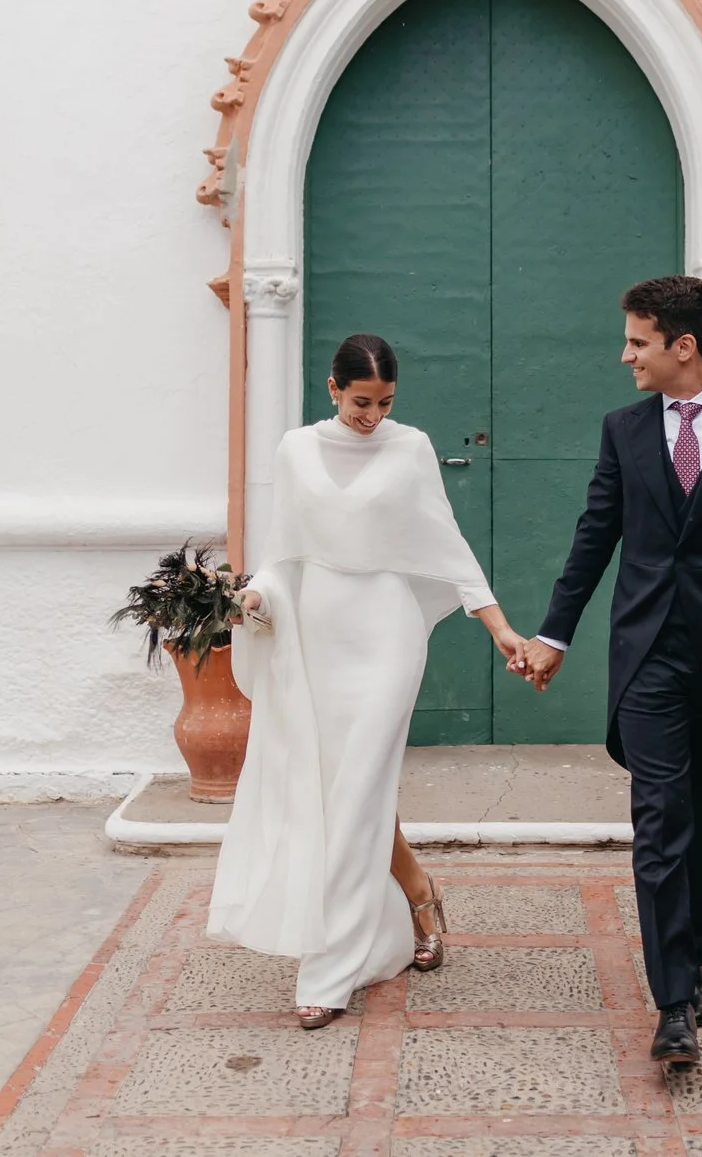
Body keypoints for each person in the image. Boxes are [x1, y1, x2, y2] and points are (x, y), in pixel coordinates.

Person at [517, 275, 702, 1069]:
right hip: (646, 653)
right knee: (660, 820)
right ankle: (673, 1001)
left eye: (639, 341)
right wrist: (555, 633)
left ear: (684, 346)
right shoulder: (625, 430)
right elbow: (594, 538)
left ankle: (691, 950)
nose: (626, 355)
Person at [206, 332, 537, 1028]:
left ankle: (328, 971)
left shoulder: (410, 447)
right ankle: (416, 893)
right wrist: (256, 596)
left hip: (387, 634)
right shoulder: (295, 450)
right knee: (340, 795)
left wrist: (500, 626)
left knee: (358, 788)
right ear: (332, 388)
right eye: (361, 401)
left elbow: (447, 543)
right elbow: (280, 553)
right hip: (316, 630)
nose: (372, 414)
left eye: (384, 401)